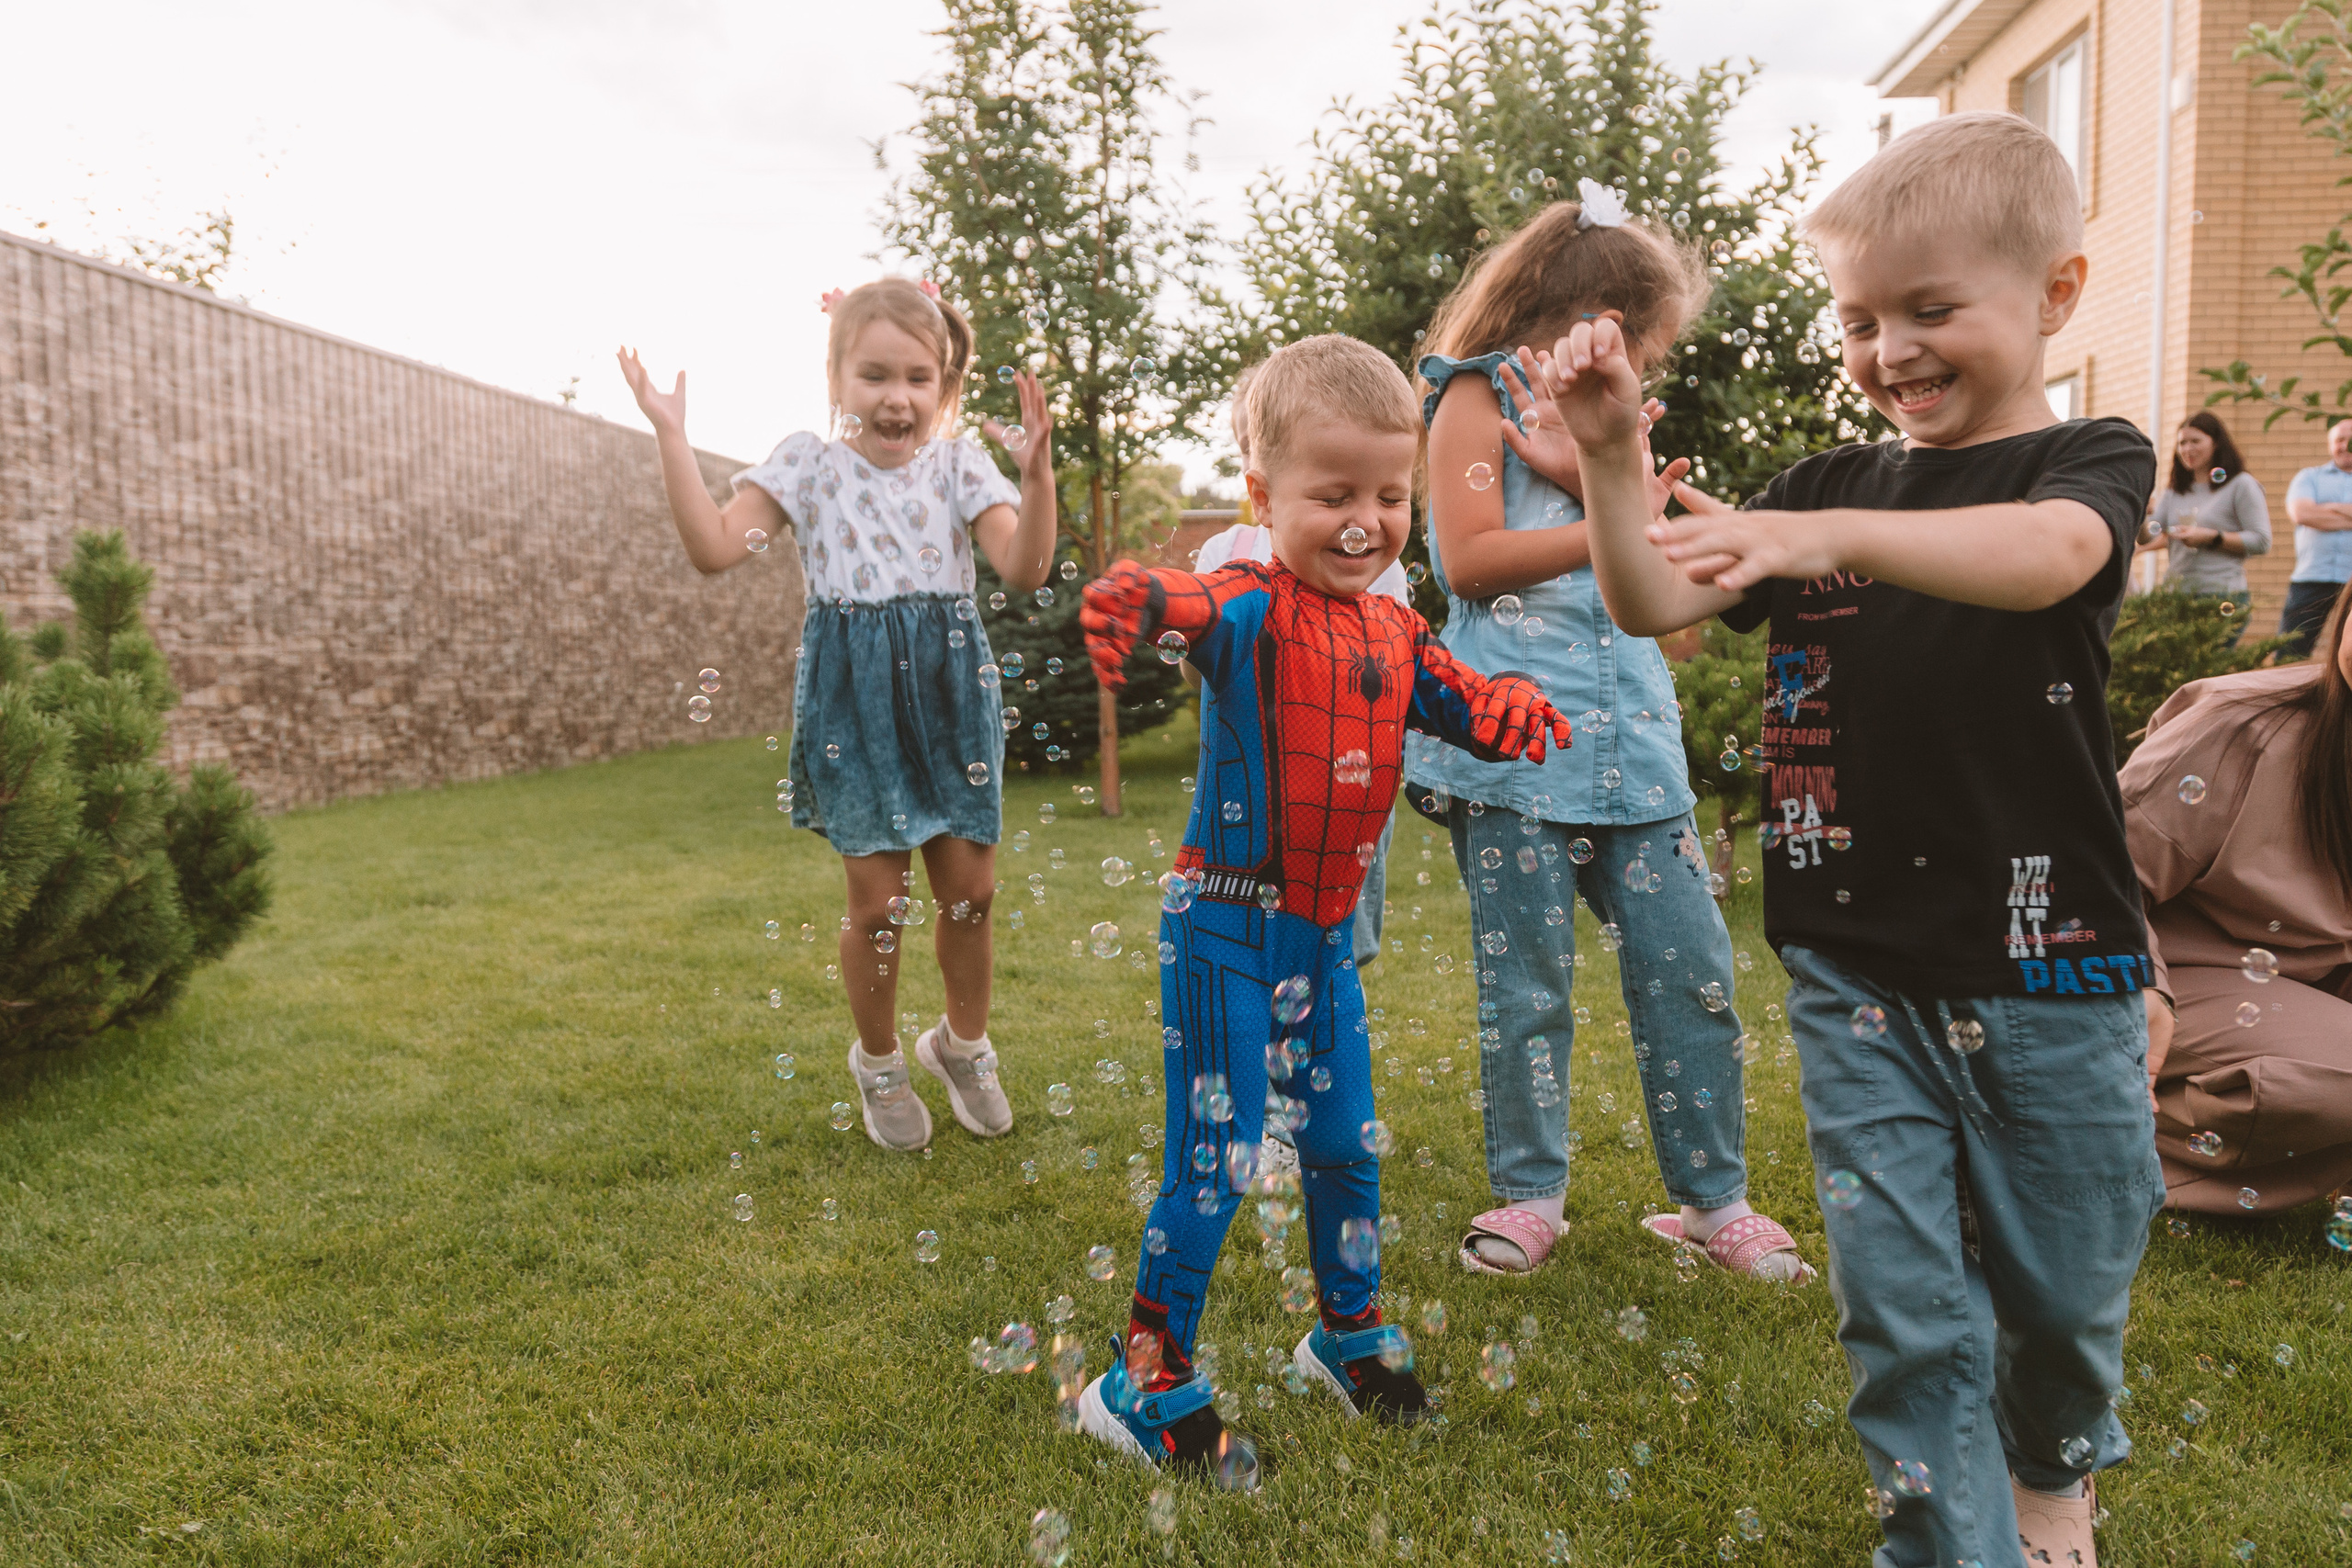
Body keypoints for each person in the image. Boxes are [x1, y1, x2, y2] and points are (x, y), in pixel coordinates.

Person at [1551, 113, 2161, 1568]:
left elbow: (2052, 557)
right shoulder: (1825, 489)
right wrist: (1608, 459)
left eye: (1931, 309)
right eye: (1860, 319)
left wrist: (1819, 539)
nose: (1890, 349)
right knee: (1904, 1301)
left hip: (2049, 963)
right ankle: (1952, 1544)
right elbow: (1647, 599)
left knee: (2067, 1288)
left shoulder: (2093, 457)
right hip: (1856, 965)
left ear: (2057, 294)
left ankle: (2054, 1456)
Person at [1072, 333, 1574, 1476]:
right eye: (1332, 493)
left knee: (1346, 1144)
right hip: (1222, 933)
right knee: (1218, 1159)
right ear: (1262, 496)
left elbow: (1460, 694)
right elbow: (1191, 604)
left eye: (1390, 495)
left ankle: (1345, 1334)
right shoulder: (1252, 600)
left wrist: (1504, 707)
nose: (1366, 520)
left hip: (1321, 942)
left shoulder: (1396, 628)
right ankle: (1140, 1382)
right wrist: (1145, 594)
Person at [1406, 182, 1809, 1282]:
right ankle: (1529, 1193)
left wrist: (1611, 477)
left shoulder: (1613, 423)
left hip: (1632, 750)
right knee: (1526, 983)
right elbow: (1469, 562)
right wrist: (1598, 516)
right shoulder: (1472, 404)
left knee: (1692, 973)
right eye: (1649, 346)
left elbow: (1652, 579)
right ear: (1600, 321)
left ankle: (1712, 1200)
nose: (1649, 374)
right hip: (1511, 747)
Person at [616, 277, 1057, 1154]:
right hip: (853, 701)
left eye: (919, 378)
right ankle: (882, 1061)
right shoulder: (807, 467)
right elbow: (713, 548)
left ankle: (962, 1047)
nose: (897, 397)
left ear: (943, 387)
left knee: (971, 891)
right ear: (835, 379)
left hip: (947, 693)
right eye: (874, 375)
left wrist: (1036, 474)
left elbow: (1024, 567)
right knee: (880, 904)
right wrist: (672, 435)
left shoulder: (962, 465)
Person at [1191, 365, 1414, 1181]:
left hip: (1344, 802)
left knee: (1333, 952)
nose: (1359, 518)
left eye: (1384, 495)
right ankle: (1267, 1122)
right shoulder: (1227, 552)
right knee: (1252, 962)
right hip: (1256, 811)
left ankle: (1314, 1105)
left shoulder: (1377, 565)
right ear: (1260, 477)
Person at [2121, 578, 2352, 1213]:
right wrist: (2140, 983)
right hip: (2175, 981)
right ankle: (2104, 1141)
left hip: (2316, 986)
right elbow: (2095, 871)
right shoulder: (2240, 724)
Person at [2149, 411, 2269, 622]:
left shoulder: (2241, 484)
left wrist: (2212, 537)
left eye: (2195, 441)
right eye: (2182, 443)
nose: (2187, 449)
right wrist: (2139, 509)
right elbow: (2150, 532)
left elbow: (2261, 541)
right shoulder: (2175, 491)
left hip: (2221, 595)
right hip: (2176, 596)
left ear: (2216, 443)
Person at [2281, 417, 2352, 656]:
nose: (2345, 445)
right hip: (2312, 577)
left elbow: (2313, 513)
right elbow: (2302, 514)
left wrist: (2327, 508)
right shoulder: (2308, 477)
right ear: (2330, 444)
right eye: (2339, 440)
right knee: (2291, 651)